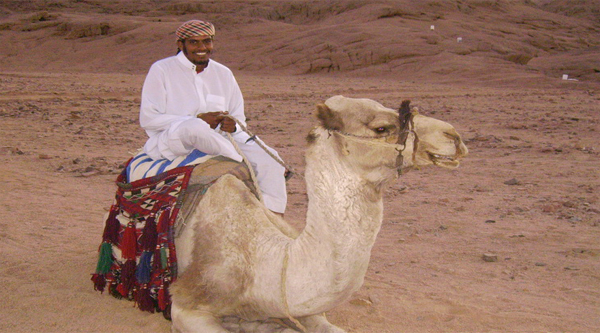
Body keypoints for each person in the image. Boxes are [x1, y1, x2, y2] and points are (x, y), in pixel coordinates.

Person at [139, 19, 287, 214]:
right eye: (194, 42)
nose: (202, 47)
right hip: (177, 137)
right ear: (180, 44)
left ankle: (274, 215)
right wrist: (197, 120)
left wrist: (232, 125)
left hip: (221, 137)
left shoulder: (223, 73)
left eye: (207, 41)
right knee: (195, 128)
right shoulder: (162, 70)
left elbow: (238, 116)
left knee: (272, 159)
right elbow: (149, 119)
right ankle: (237, 160)